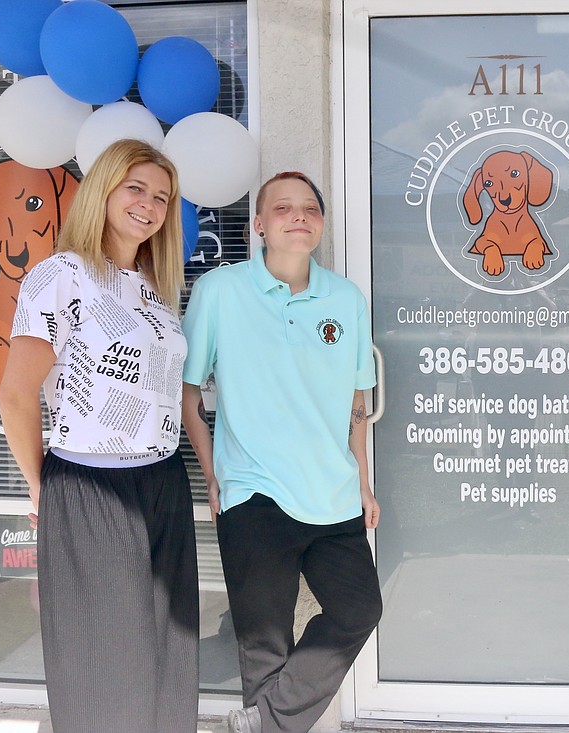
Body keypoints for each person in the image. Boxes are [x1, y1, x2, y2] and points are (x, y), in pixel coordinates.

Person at [0, 139, 198, 733]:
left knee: (170, 647)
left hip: (162, 481)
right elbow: (15, 394)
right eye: (136, 188)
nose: (149, 205)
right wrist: (42, 486)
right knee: (104, 659)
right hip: (90, 485)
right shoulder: (60, 276)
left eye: (161, 196)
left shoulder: (154, 286)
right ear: (102, 191)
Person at [181, 171, 382, 733]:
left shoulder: (345, 297)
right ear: (259, 225)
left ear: (321, 224)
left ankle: (261, 724)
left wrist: (363, 482)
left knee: (360, 610)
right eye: (284, 208)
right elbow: (188, 392)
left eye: (311, 208)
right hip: (255, 492)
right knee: (264, 644)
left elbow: (356, 399)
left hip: (332, 492)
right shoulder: (220, 291)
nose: (299, 216)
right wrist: (213, 474)